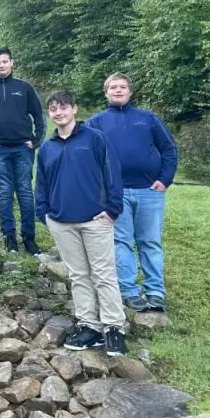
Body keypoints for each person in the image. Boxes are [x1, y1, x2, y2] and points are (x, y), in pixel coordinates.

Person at [35, 90, 127, 356]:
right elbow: (41, 183)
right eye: (53, 109)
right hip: (62, 222)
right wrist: (45, 213)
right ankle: (90, 325)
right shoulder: (47, 147)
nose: (58, 112)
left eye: (63, 107)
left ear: (75, 109)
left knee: (104, 274)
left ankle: (113, 328)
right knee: (78, 275)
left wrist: (112, 210)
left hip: (95, 220)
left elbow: (113, 174)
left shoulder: (95, 139)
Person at [88, 73, 177, 313]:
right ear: (106, 93)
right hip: (116, 194)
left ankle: (155, 291)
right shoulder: (96, 123)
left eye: (122, 87)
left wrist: (165, 179)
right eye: (113, 87)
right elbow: (88, 157)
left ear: (130, 91)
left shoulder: (147, 118)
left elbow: (168, 149)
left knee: (150, 242)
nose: (118, 90)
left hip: (150, 191)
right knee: (121, 242)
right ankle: (129, 291)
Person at [0, 48, 46, 254]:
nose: (1, 65)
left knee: (24, 190)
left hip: (23, 148)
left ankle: (29, 238)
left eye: (5, 62)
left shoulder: (24, 88)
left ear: (12, 63)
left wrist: (36, 141)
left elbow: (39, 115)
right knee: (4, 192)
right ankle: (9, 237)